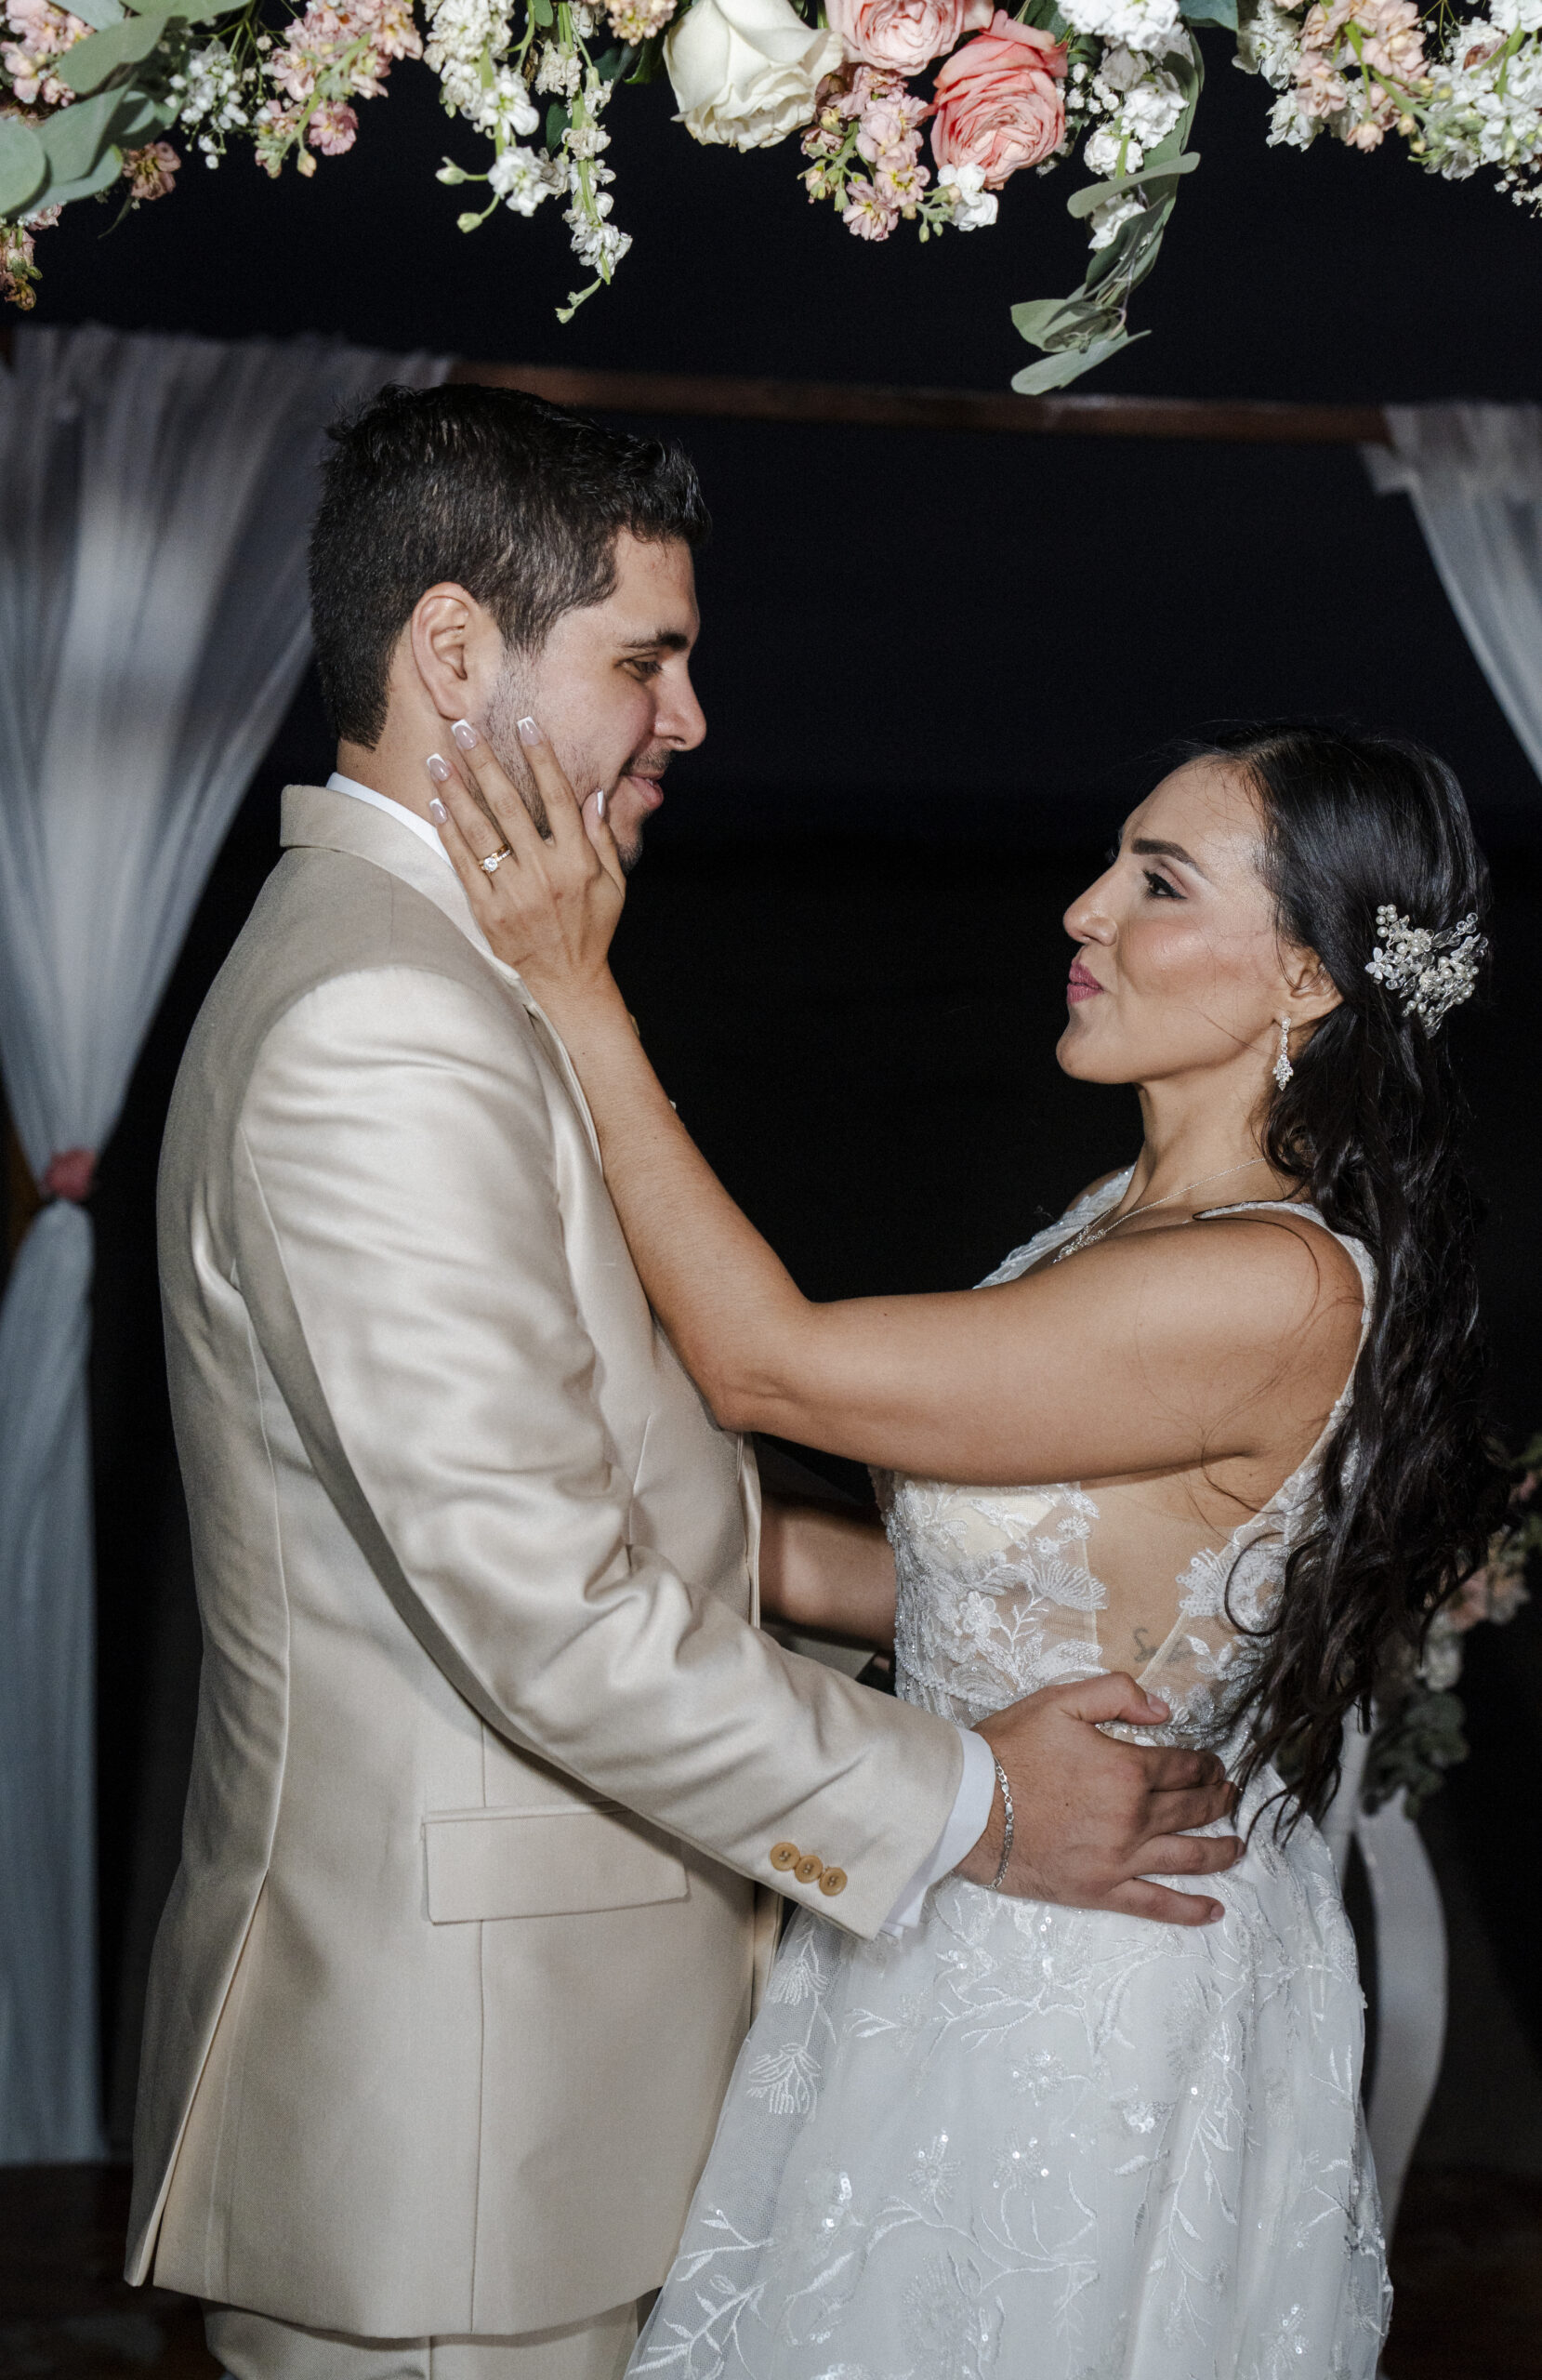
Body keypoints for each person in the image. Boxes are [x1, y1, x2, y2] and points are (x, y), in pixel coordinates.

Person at [125, 382, 1242, 2380]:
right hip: (451, 2141)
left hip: (538, 2104)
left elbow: (636, 1485)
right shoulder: (378, 1032)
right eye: (644, 660)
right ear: (452, 650)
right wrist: (981, 1804)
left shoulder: (443, 976)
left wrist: (943, 1619)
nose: (693, 719)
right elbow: (547, 1613)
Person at [427, 712, 1507, 2377]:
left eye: (1158, 882)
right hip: (958, 1906)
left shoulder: (1276, 1284)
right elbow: (966, 1592)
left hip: (1081, 1984)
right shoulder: (1118, 1219)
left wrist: (576, 987)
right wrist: (549, 1518)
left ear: (1305, 976)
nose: (1084, 909)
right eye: (1111, 863)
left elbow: (765, 1365)